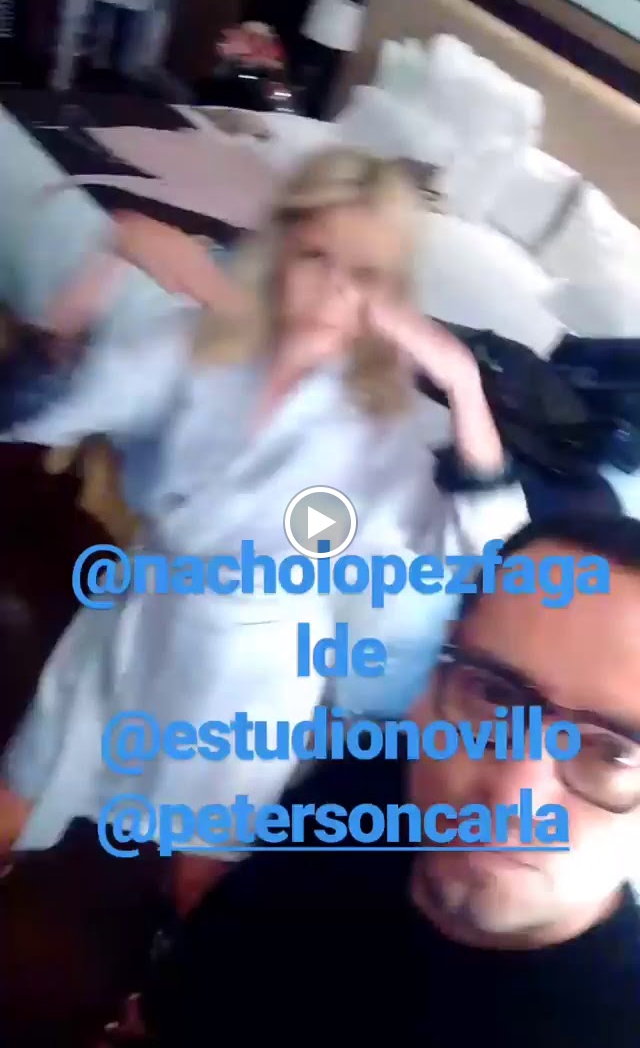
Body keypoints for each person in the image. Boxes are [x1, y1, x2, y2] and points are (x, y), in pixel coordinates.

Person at [0, 148, 523, 913]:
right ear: (281, 251)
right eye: (315, 255)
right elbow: (35, 411)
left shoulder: (382, 430)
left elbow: (484, 545)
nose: (333, 286)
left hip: (250, 676)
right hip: (133, 625)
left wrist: (464, 384)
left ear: (390, 297)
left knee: (200, 882)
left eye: (363, 273)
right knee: (19, 794)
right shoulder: (194, 344)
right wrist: (104, 266)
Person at [139, 514, 640, 1047]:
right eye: (494, 695)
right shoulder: (363, 785)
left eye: (615, 754)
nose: (512, 797)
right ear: (433, 678)